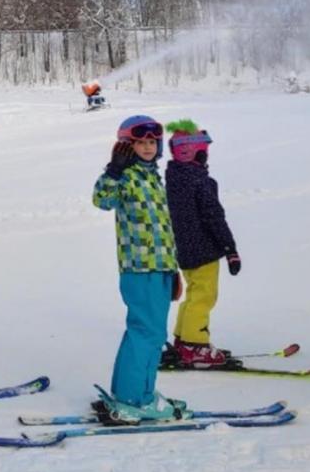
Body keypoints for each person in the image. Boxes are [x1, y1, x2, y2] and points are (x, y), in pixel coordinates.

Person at [92, 115, 182, 424]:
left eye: (152, 142)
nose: (147, 147)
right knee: (147, 332)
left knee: (147, 332)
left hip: (160, 267)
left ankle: (132, 392)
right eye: (140, 142)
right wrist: (114, 170)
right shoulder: (128, 176)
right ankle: (135, 399)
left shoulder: (153, 177)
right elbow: (102, 199)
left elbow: (162, 227)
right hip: (141, 268)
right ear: (126, 146)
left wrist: (173, 270)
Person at [162, 120, 240, 368]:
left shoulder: (174, 180)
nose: (206, 156)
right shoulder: (200, 181)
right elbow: (214, 217)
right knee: (203, 296)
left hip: (184, 251)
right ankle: (194, 345)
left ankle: (183, 340)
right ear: (195, 152)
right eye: (204, 152)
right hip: (204, 250)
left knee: (194, 294)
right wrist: (230, 249)